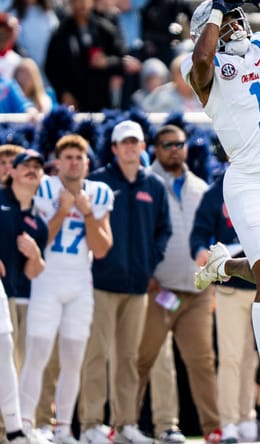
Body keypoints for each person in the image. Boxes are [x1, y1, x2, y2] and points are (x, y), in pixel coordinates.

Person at [185, 0, 260, 412]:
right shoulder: (203, 65)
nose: (235, 25)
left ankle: (224, 266)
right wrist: (215, 10)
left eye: (237, 17)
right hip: (247, 180)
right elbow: (203, 59)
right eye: (226, 20)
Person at [79, 120, 171, 444]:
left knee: (128, 359)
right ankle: (91, 424)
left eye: (135, 142)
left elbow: (164, 230)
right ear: (115, 148)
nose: (130, 147)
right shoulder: (96, 182)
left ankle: (125, 424)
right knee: (95, 355)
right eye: (125, 142)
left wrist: (149, 263)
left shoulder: (155, 185)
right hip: (100, 284)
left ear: (143, 147)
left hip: (137, 287)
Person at [18, 135, 114, 444]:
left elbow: (101, 249)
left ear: (87, 163)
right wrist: (62, 211)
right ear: (57, 163)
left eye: (78, 157)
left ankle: (62, 428)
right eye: (68, 157)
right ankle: (25, 424)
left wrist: (86, 213)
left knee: (74, 359)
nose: (73, 163)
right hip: (46, 280)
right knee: (37, 354)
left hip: (80, 282)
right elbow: (38, 241)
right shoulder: (44, 188)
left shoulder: (99, 193)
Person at [135, 125, 222, 443]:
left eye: (179, 144)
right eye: (167, 144)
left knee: (203, 362)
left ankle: (214, 428)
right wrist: (147, 276)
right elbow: (138, 235)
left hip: (197, 292)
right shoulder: (145, 184)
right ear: (155, 149)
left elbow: (211, 234)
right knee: (143, 360)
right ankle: (126, 423)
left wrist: (213, 280)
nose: (174, 149)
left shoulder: (200, 186)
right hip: (160, 289)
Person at [189, 163, 260, 443]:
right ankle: (231, 422)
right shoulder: (217, 192)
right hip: (231, 290)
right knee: (232, 357)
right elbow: (199, 233)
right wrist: (200, 252)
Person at [0, 149, 48, 444]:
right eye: (25, 165)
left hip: (14, 297)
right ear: (12, 172)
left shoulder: (39, 223)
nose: (32, 170)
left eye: (37, 167)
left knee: (9, 360)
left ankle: (11, 429)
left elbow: (34, 272)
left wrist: (35, 255)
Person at [44, 0, 128, 111]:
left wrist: (106, 62)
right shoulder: (61, 33)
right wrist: (63, 92)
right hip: (73, 103)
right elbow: (51, 67)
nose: (82, 5)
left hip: (102, 101)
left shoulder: (104, 29)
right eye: (77, 1)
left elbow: (122, 59)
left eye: (85, 1)